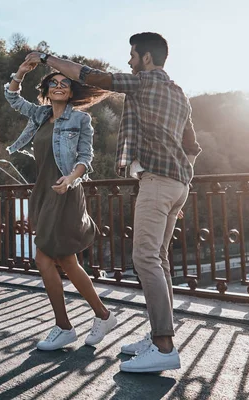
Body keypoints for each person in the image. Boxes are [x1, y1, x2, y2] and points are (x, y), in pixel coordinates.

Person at [25, 32, 202, 372]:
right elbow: (192, 146)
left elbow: (89, 76)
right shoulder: (179, 94)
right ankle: (157, 336)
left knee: (145, 258)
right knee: (160, 260)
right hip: (179, 183)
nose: (129, 61)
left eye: (132, 55)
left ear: (146, 59)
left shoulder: (144, 82)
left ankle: (164, 347)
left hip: (159, 181)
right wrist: (181, 178)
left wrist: (45, 58)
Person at [4, 60, 117, 351]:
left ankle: (64, 326)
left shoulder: (80, 120)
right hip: (43, 191)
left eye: (64, 83)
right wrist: (22, 71)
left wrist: (71, 179)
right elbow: (13, 98)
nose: (58, 86)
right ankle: (103, 316)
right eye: (53, 83)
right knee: (67, 261)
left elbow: (85, 158)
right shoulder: (41, 115)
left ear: (71, 92)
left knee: (43, 259)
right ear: (46, 89)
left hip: (65, 190)